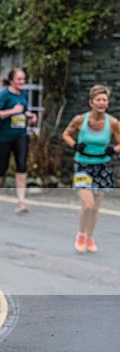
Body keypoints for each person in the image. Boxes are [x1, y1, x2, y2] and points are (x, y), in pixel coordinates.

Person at [61, 84, 120, 253]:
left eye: (104, 100)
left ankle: (90, 237)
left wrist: (113, 149)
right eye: (98, 100)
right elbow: (66, 133)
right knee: (87, 204)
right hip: (83, 165)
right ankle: (81, 234)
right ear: (91, 102)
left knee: (95, 207)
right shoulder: (81, 120)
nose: (102, 103)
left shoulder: (113, 123)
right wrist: (75, 145)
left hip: (102, 166)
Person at [0, 67, 38, 213]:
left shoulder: (24, 94)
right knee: (2, 168)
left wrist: (31, 116)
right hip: (4, 137)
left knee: (21, 166)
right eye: (19, 79)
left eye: (23, 79)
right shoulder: (4, 95)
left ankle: (21, 202)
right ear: (11, 80)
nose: (22, 82)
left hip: (20, 135)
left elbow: (23, 111)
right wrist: (12, 112)